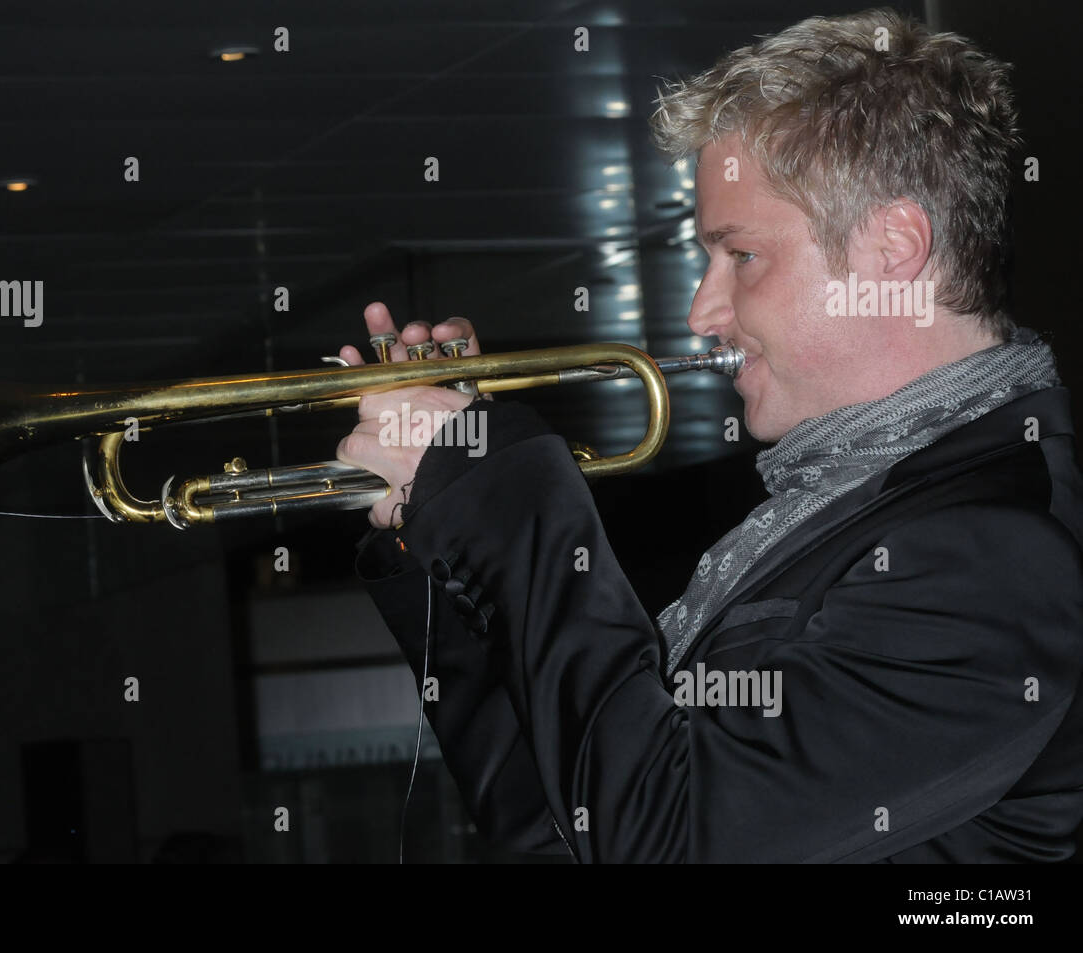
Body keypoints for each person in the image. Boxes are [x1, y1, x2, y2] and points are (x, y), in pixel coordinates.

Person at [333, 8, 1083, 862]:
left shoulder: (992, 560)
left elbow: (661, 838)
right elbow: (552, 823)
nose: (702, 312)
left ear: (894, 248)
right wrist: (441, 515)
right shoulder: (851, 507)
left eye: (741, 257)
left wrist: (504, 488)